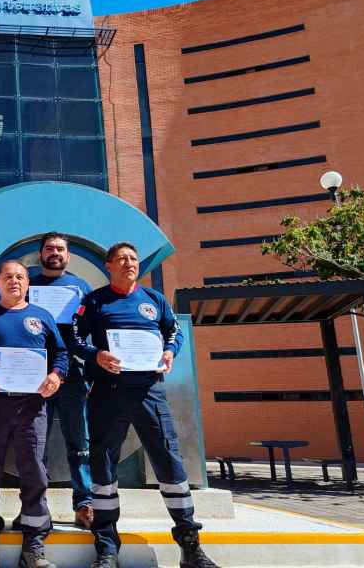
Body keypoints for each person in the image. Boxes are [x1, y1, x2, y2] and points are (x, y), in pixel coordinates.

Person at [70, 242, 219, 568]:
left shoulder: (154, 300)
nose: (129, 263)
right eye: (122, 258)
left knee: (169, 463)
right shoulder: (94, 301)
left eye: (133, 258)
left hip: (149, 392)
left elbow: (173, 332)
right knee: (103, 468)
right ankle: (107, 548)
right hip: (107, 393)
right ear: (109, 265)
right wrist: (96, 355)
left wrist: (169, 352)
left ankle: (190, 547)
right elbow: (75, 339)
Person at [0, 260, 68, 568]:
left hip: (32, 408)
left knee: (34, 471)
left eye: (20, 277)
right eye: (8, 276)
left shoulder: (42, 316)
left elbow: (61, 354)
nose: (15, 281)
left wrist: (56, 375)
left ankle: (33, 546)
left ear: (27, 283)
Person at [28, 233, 94, 529]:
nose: (54, 253)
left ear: (68, 255)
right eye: (49, 248)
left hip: (73, 376)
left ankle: (84, 504)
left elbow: (91, 327)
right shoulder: (28, 284)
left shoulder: (81, 287)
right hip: (33, 376)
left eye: (60, 249)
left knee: (79, 442)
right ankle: (35, 506)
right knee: (35, 444)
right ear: (40, 254)